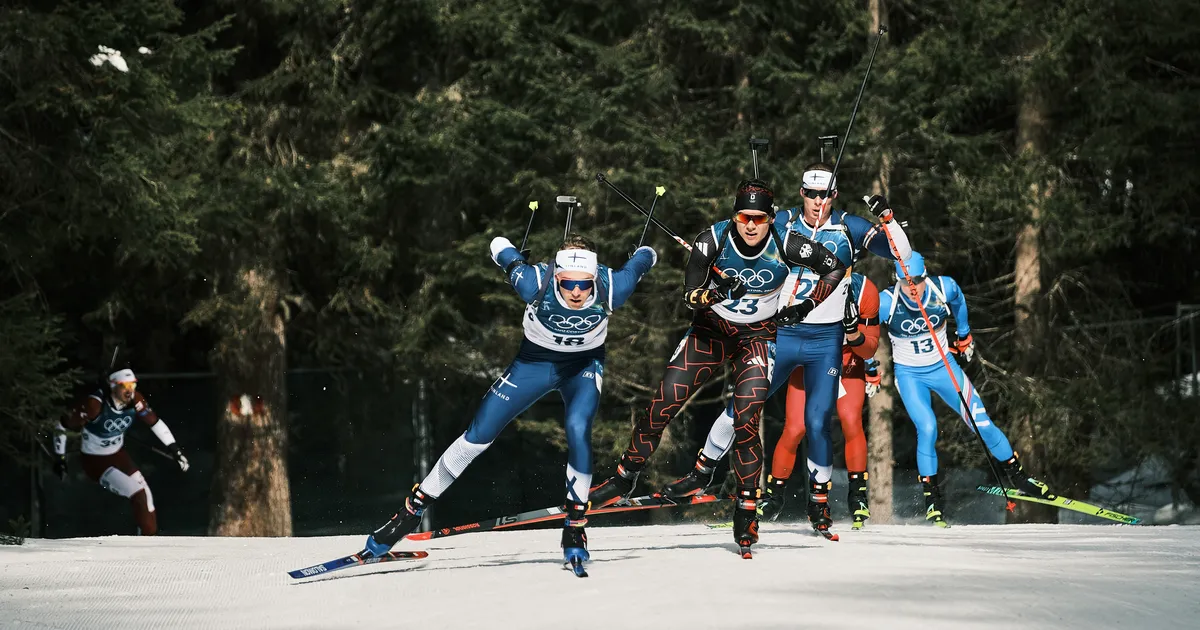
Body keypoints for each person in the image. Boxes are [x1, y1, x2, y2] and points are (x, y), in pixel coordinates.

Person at [363, 234, 657, 569]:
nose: (576, 292)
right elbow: (497, 245)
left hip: (582, 368)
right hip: (534, 366)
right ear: (556, 274)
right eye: (569, 283)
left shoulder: (614, 285)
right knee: (477, 436)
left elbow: (646, 258)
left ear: (595, 276)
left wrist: (642, 251)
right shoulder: (533, 282)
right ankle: (408, 515)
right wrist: (513, 257)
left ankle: (575, 530)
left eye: (584, 284)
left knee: (578, 430)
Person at [588, 178, 847, 555]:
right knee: (662, 405)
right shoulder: (712, 240)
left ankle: (745, 508)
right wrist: (718, 292)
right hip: (710, 332)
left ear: (771, 219)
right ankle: (626, 476)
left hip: (756, 338)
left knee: (745, 420)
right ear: (735, 215)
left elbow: (835, 268)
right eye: (744, 216)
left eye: (759, 218)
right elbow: (690, 295)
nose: (751, 225)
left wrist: (805, 307)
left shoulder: (788, 243)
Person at [669, 164, 910, 536]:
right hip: (781, 333)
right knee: (742, 406)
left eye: (825, 194)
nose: (818, 202)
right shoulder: (781, 222)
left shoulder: (850, 228)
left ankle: (819, 503)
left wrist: (888, 219)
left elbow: (902, 254)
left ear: (834, 195)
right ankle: (702, 471)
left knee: (817, 424)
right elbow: (737, 234)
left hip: (825, 340)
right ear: (801, 194)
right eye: (811, 194)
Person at [879, 251, 1051, 526]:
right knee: (927, 428)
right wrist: (866, 364)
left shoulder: (942, 288)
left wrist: (964, 334)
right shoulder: (887, 301)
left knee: (980, 422)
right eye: (905, 281)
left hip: (943, 368)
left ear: (926, 276)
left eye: (917, 280)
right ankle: (932, 501)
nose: (912, 287)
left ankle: (1019, 477)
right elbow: (864, 330)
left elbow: (958, 300)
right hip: (910, 374)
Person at [53, 368, 190, 535]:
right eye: (124, 385)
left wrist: (175, 449)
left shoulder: (136, 401)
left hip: (118, 455)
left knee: (147, 499)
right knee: (138, 494)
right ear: (113, 386)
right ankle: (143, 547)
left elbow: (155, 423)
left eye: (132, 384)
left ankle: (149, 543)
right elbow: (62, 425)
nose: (129, 390)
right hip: (96, 461)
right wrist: (59, 457)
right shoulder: (94, 405)